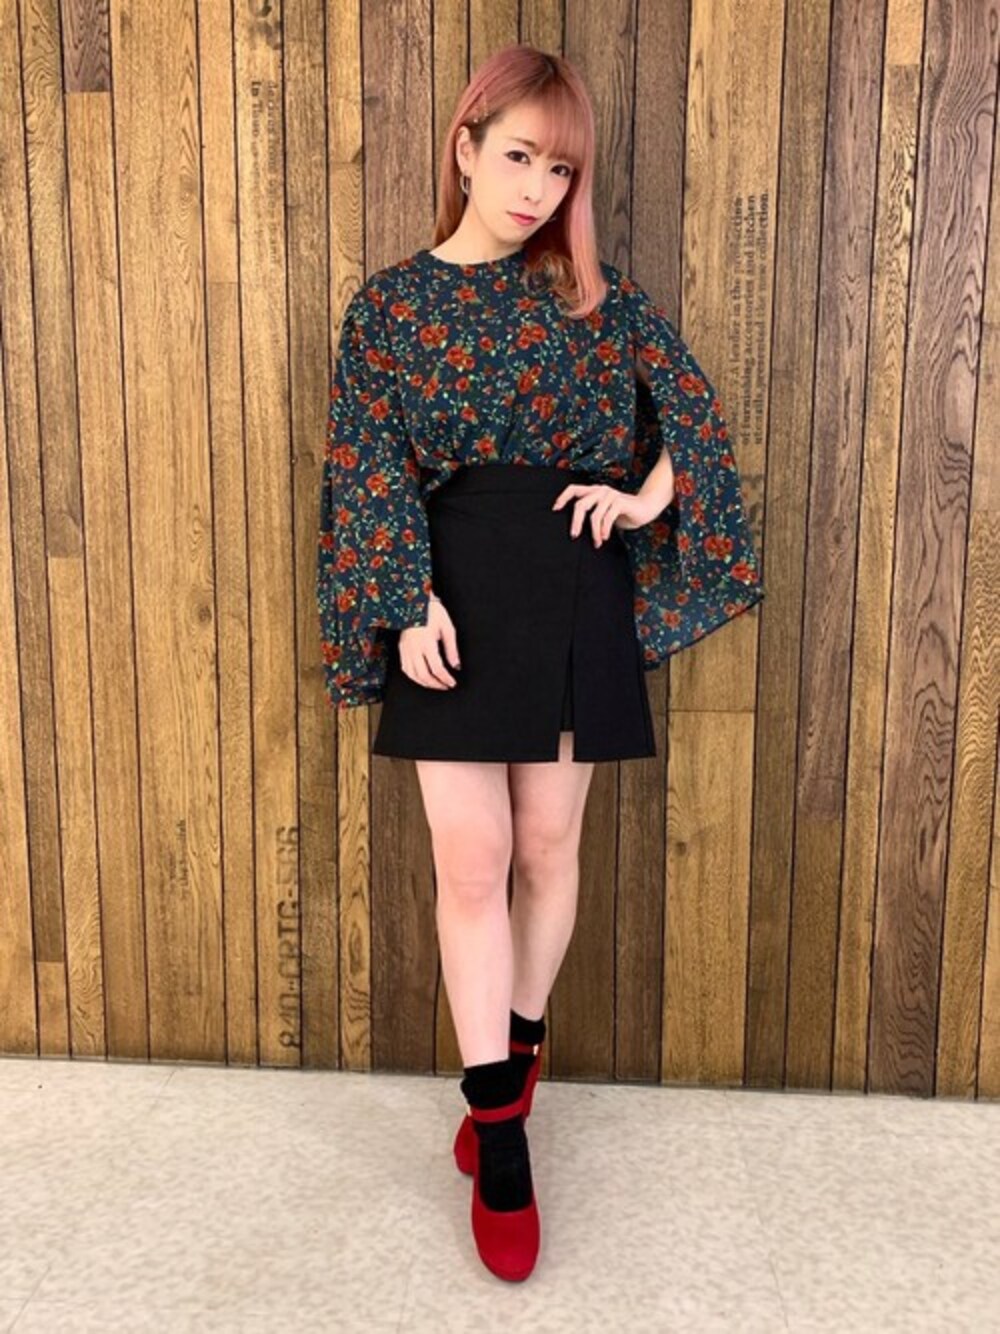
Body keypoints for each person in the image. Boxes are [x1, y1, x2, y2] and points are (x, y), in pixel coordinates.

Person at [315, 45, 764, 1282]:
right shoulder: (390, 308)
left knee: (549, 849)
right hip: (451, 595)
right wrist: (403, 600)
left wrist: (643, 497)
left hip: (573, 588)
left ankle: (511, 1059)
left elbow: (693, 416)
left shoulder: (594, 299)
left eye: (559, 169)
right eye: (517, 156)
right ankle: (502, 1137)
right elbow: (366, 461)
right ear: (464, 148)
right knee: (473, 861)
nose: (535, 189)